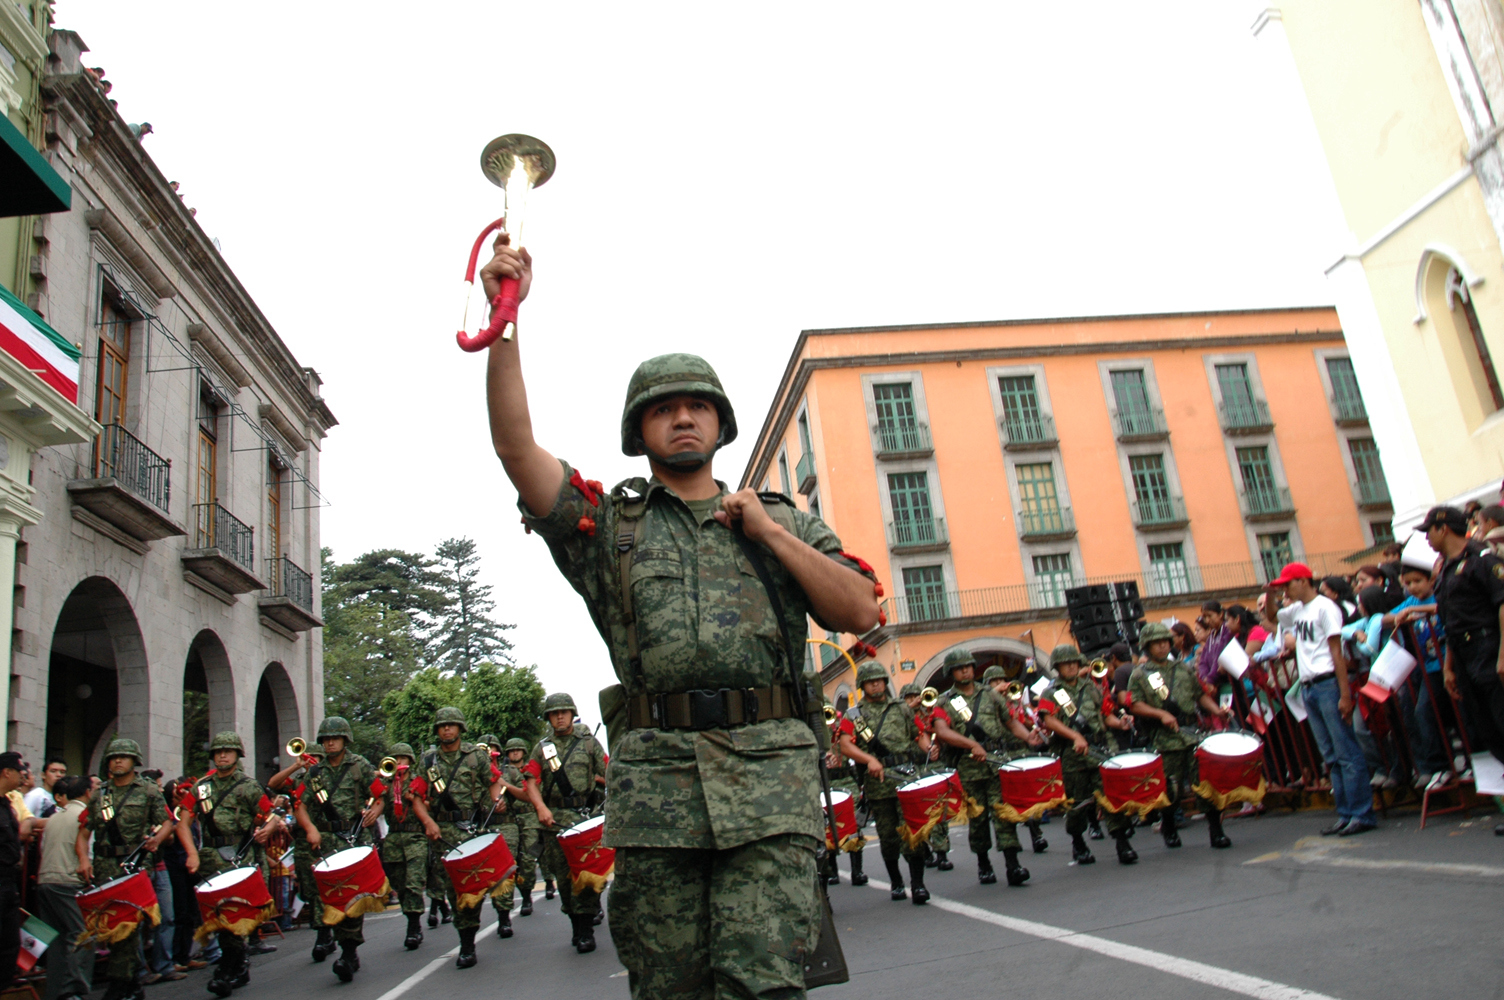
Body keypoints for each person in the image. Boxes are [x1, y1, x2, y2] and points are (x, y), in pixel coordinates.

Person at [483, 248, 881, 999]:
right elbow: (516, 450)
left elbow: (859, 609)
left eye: (697, 405)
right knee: (670, 988)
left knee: (762, 984)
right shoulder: (611, 526)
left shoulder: (783, 520)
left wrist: (769, 533)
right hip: (657, 794)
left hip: (770, 785)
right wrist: (507, 319)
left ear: (721, 423)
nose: (683, 416)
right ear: (642, 430)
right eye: (664, 408)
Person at [1273, 563, 1377, 836]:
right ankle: (1345, 812)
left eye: (1288, 584)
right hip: (1308, 687)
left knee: (1345, 750)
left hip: (1328, 682)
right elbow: (1275, 616)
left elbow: (1336, 650)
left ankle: (1361, 812)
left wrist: (1345, 693)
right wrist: (1271, 594)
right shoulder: (1296, 610)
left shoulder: (1325, 607)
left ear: (1304, 581)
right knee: (1330, 755)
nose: (1285, 590)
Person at [77, 740, 184, 1000]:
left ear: (134, 761)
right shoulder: (100, 794)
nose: (117, 761)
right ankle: (133, 984)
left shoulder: (148, 791)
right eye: (113, 757)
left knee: (129, 926)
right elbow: (83, 831)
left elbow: (168, 822)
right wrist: (83, 859)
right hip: (104, 866)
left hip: (135, 865)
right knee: (113, 927)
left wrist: (157, 840)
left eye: (123, 757)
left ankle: (120, 984)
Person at [178, 732, 284, 997]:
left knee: (235, 915)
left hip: (240, 857)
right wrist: (192, 852)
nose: (222, 755)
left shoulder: (248, 786)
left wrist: (266, 830)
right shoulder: (200, 788)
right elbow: (182, 822)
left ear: (238, 755)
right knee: (216, 916)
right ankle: (237, 964)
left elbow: (271, 816)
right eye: (218, 751)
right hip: (210, 859)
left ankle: (227, 968)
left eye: (228, 751)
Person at [1423, 506, 1504, 824]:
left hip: (1489, 647)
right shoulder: (1445, 571)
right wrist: (1448, 668)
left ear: (1443, 528)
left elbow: (1502, 604)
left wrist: (1502, 655)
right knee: (1488, 731)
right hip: (1464, 653)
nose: (1427, 537)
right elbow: (1450, 624)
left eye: (1429, 530)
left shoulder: (1484, 559)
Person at [932, 650, 1036, 886]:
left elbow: (1010, 721)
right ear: (952, 673)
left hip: (996, 763)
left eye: (968, 666)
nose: (966, 670)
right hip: (969, 767)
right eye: (960, 668)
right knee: (977, 819)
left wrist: (1029, 737)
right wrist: (971, 744)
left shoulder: (989, 694)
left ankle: (1013, 865)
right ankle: (983, 863)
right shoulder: (944, 702)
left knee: (1004, 813)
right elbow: (942, 731)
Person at [1126, 622, 1234, 850]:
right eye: (1157, 643)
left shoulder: (1183, 669)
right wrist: (1160, 713)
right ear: (1147, 646)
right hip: (1166, 738)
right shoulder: (1139, 674)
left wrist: (1218, 711)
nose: (1163, 646)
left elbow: (1199, 695)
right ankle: (1168, 824)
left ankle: (1216, 830)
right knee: (1171, 789)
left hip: (1191, 733)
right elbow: (1134, 704)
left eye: (1166, 641)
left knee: (1203, 783)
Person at [409, 706, 503, 968]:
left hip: (473, 829)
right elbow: (416, 797)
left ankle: (468, 942)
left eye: (452, 725)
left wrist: (496, 799)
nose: (447, 729)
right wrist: (428, 822)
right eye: (442, 725)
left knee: (473, 887)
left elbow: (494, 780)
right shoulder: (428, 761)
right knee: (453, 890)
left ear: (461, 728)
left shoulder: (475, 756)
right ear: (437, 730)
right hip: (443, 833)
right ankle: (465, 938)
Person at [292, 717, 379, 981]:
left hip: (353, 838)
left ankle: (349, 952)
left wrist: (376, 810)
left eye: (335, 738)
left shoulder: (359, 765)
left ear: (345, 740)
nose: (330, 742)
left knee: (353, 896)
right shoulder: (314, 773)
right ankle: (341, 946)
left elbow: (379, 793)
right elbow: (300, 805)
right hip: (326, 842)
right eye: (326, 739)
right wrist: (310, 829)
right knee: (331, 897)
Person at [835, 664, 929, 903]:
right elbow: (845, 745)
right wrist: (869, 760)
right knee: (887, 837)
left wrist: (929, 748)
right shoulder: (854, 715)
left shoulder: (901, 709)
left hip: (905, 778)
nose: (876, 684)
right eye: (870, 681)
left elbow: (918, 734)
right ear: (862, 686)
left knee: (913, 832)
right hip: (878, 784)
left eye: (879, 680)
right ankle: (896, 882)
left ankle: (918, 884)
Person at [1037, 645, 1137, 865]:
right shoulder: (1051, 693)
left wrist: (1120, 723)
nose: (1072, 666)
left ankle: (1121, 842)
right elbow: (1049, 720)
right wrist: (1075, 736)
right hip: (1073, 755)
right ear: (1058, 667)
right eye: (1066, 663)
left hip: (1099, 749)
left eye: (1075, 662)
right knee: (1078, 803)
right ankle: (1078, 842)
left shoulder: (1091, 688)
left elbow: (1106, 714)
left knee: (1109, 795)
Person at [525, 693, 609, 950]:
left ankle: (586, 930)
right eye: (554, 713)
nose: (560, 716)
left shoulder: (588, 743)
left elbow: (608, 771)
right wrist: (540, 807)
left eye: (564, 712)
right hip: (554, 825)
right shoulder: (542, 748)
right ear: (549, 717)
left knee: (586, 876)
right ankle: (576, 925)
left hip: (585, 821)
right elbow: (530, 781)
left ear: (572, 714)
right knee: (563, 879)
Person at [34, 774, 94, 1000]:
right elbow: (89, 851)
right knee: (82, 935)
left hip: (45, 879)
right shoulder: (84, 815)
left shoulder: (55, 817)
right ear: (87, 793)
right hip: (68, 880)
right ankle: (72, 991)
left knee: (57, 939)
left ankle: (54, 992)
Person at [373, 743, 428, 950]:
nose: (398, 762)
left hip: (415, 835)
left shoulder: (417, 781)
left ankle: (414, 927)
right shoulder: (386, 784)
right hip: (394, 838)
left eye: (402, 759)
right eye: (395, 759)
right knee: (400, 885)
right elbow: (377, 804)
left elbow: (428, 801)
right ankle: (411, 917)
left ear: (410, 761)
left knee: (414, 882)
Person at [266, 742, 323, 935]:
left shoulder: (329, 779)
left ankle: (326, 928)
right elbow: (273, 784)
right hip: (303, 842)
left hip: (326, 836)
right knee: (309, 886)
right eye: (309, 758)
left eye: (315, 758)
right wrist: (296, 766)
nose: (311, 762)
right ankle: (321, 927)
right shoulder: (298, 780)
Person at [900, 682, 949, 869]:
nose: (915, 700)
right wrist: (909, 709)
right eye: (910, 698)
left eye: (916, 696)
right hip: (913, 768)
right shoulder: (901, 717)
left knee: (938, 811)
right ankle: (925, 851)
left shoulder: (931, 714)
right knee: (919, 814)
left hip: (933, 765)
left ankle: (942, 853)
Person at [0, 751, 34, 997]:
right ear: (6, 772)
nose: (24, 776)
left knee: (10, 944)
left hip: (8, 882)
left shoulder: (8, 804)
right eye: (19, 771)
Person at [502, 738, 543, 914]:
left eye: (518, 750)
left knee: (528, 858)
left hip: (530, 816)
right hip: (511, 818)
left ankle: (526, 894)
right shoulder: (502, 772)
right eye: (512, 751)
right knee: (510, 862)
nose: (515, 753)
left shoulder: (530, 770)